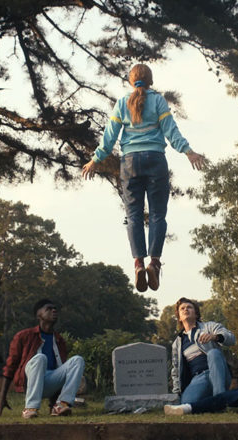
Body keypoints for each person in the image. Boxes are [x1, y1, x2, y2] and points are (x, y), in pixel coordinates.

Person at [81, 64, 207, 292]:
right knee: (158, 214)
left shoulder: (122, 103)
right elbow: (171, 130)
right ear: (150, 80)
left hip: (130, 163)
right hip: (155, 160)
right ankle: (154, 263)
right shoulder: (158, 101)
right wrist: (188, 152)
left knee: (133, 216)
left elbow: (109, 137)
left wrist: (95, 160)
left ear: (131, 81)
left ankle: (138, 264)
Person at [0, 299, 85, 419]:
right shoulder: (24, 336)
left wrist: (52, 402)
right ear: (39, 315)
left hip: (49, 383)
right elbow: (10, 367)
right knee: (40, 358)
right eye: (48, 309)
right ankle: (30, 408)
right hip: (30, 381)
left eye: (55, 309)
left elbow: (60, 369)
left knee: (77, 360)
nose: (54, 311)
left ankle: (61, 405)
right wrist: (2, 398)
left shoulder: (59, 340)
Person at [170, 297, 236, 404]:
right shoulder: (177, 343)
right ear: (179, 318)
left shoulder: (209, 326)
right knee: (187, 403)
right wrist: (177, 393)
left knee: (213, 353)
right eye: (182, 308)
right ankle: (209, 400)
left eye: (189, 307)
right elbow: (175, 371)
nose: (186, 309)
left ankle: (220, 400)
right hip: (199, 378)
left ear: (196, 314)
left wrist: (215, 337)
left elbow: (231, 339)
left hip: (218, 372)